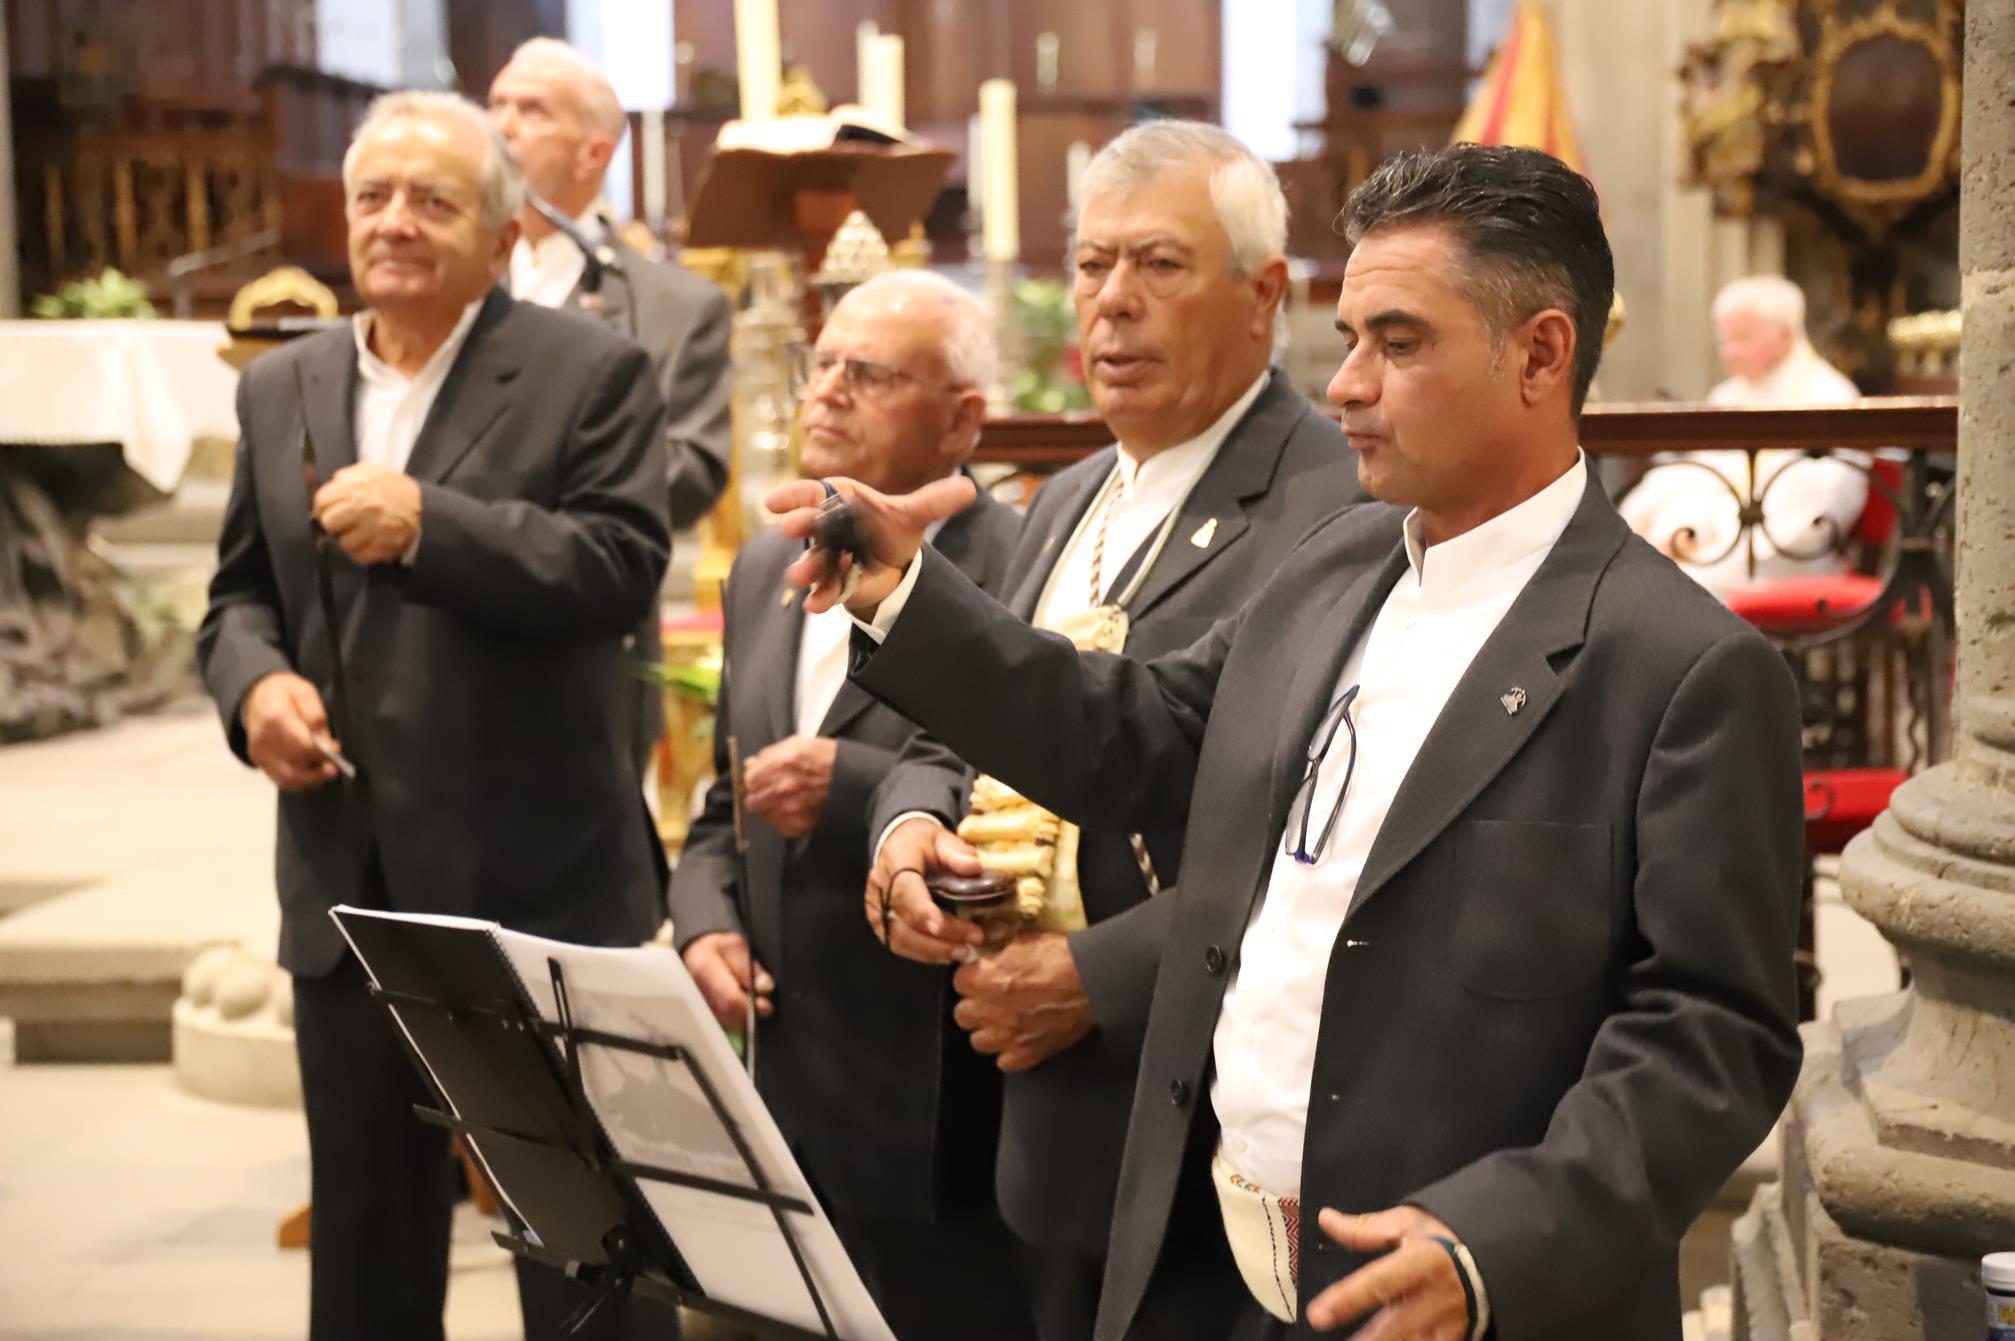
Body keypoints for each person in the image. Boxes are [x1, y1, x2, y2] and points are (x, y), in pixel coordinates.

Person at [795, 144, 1804, 1340]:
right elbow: (1140, 732)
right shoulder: (1335, 564)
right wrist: (913, 599)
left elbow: (1710, 1033)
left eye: (1399, 343)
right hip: (1220, 1265)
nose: (1347, 386)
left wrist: (1496, 1240)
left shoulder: (1681, 666)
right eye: (1349, 341)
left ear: (1539, 355)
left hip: (1452, 1291)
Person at [868, 120, 1364, 1341]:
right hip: (1041, 1112)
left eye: (1159, 264)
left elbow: (1325, 824)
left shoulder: (1330, 503)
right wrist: (907, 827)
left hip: (1200, 1106)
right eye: (1092, 265)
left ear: (1262, 296)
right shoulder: (1073, 496)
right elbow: (969, 735)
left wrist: (1095, 978)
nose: (1111, 301)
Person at [196, 91, 673, 1341]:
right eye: (372, 197)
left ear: (504, 236)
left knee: (584, 1269)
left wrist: (431, 525)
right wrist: (255, 688)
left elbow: (618, 568)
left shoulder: (589, 373)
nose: (393, 222)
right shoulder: (284, 384)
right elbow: (239, 595)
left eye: (431, 201)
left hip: (533, 892)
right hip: (344, 892)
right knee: (365, 1259)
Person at [668, 271, 1034, 1339]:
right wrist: (703, 921)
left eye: (867, 374)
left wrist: (853, 788)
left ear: (960, 419)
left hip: (930, 1090)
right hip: (785, 1084)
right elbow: (722, 804)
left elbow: (1032, 782)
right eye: (819, 363)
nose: (825, 390)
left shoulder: (1017, 565)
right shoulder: (760, 569)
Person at [489, 36, 734, 765]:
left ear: (593, 153)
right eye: (496, 104)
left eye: (531, 110)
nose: (501, 125)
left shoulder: (673, 306)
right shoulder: (447, 290)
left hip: (590, 637)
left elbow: (690, 472)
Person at [1619, 274, 1866, 598]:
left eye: (1742, 338)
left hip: (1782, 558)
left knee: (1661, 588)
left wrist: (1707, 536)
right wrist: (1661, 521)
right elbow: (1696, 473)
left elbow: (1814, 507)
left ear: (1785, 334)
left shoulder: (1829, 398)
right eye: (1724, 339)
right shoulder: (1730, 395)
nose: (1729, 352)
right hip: (1713, 546)